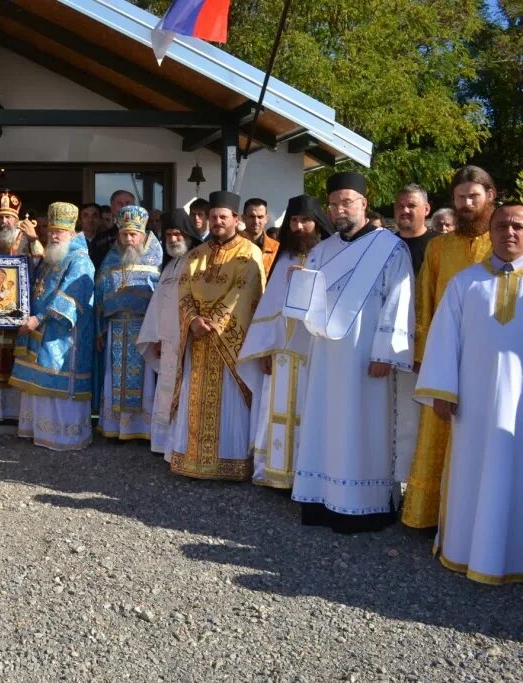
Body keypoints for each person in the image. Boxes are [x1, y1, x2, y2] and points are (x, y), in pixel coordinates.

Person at [285, 172, 415, 533]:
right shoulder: (322, 250)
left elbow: (399, 302)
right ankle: (321, 498)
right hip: (326, 356)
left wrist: (384, 353)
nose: (339, 209)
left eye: (347, 201)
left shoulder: (389, 248)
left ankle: (364, 505)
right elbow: (308, 305)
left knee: (364, 426)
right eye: (334, 203)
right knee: (325, 423)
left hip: (365, 359)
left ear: (363, 203)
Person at [413, 202, 523, 584]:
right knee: (471, 474)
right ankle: (464, 550)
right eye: (502, 225)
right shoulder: (465, 283)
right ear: (489, 232)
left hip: (520, 410)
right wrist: (442, 391)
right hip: (473, 407)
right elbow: (444, 340)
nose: (510, 232)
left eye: (518, 226)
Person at [402, 165, 497, 530]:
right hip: (445, 356)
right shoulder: (440, 247)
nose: (467, 203)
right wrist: (422, 355)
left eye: (474, 196)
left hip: (489, 359)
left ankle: (477, 518)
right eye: (460, 197)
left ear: (490, 196)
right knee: (437, 430)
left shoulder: (504, 244)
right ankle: (429, 516)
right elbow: (424, 301)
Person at [167, 191, 265, 480]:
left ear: (236, 219)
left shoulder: (250, 253)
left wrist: (215, 322)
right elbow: (183, 289)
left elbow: (244, 291)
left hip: (229, 343)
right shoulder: (195, 254)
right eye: (213, 217)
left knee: (230, 400)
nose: (218, 222)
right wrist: (193, 319)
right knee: (193, 397)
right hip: (197, 340)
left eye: (223, 217)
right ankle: (192, 461)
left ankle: (230, 463)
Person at [236, 195, 330, 488]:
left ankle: (307, 476)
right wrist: (263, 351)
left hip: (313, 353)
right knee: (274, 412)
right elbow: (269, 307)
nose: (300, 226)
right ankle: (273, 473)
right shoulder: (284, 258)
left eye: (306, 220)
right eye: (294, 221)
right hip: (281, 356)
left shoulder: (328, 255)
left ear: (317, 223)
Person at [9, 202, 96, 451]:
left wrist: (39, 319)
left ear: (72, 233)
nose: (54, 235)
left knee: (55, 379)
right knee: (38, 381)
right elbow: (37, 283)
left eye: (60, 232)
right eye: (52, 230)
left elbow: (70, 298)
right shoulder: (53, 255)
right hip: (40, 330)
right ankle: (38, 430)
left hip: (63, 336)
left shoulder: (80, 260)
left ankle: (63, 435)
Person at [93, 205, 162, 441]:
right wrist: (100, 329)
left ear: (143, 235)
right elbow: (100, 295)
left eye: (134, 234)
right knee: (114, 377)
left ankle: (142, 428)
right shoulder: (111, 259)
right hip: (116, 328)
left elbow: (161, 296)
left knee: (145, 382)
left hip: (144, 328)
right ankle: (117, 428)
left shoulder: (156, 257)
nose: (129, 239)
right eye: (125, 234)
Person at [0, 191, 42, 422]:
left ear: (17, 217)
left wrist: (34, 241)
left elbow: (41, 265)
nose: (5, 222)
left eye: (9, 217)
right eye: (1, 217)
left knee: (14, 361)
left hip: (17, 314)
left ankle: (15, 414)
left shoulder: (27, 238)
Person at [136, 209, 194, 456]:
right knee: (166, 390)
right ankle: (165, 444)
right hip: (168, 340)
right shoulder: (170, 264)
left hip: (189, 339)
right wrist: (157, 336)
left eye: (178, 233)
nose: (173, 238)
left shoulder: (196, 260)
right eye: (169, 234)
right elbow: (159, 304)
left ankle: (181, 446)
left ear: (188, 234)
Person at [394, 184, 436, 275]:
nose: (405, 210)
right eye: (400, 206)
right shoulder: (387, 245)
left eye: (411, 206)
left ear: (426, 209)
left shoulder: (439, 245)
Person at [89, 190, 136, 270]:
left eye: (128, 203)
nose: (124, 207)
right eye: (120, 204)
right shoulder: (100, 239)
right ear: (112, 209)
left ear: (135, 207)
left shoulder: (147, 237)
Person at [241, 198, 280, 274]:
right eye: (252, 217)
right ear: (243, 218)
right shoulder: (230, 244)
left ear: (266, 219)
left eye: (260, 217)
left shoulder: (276, 249)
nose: (256, 221)